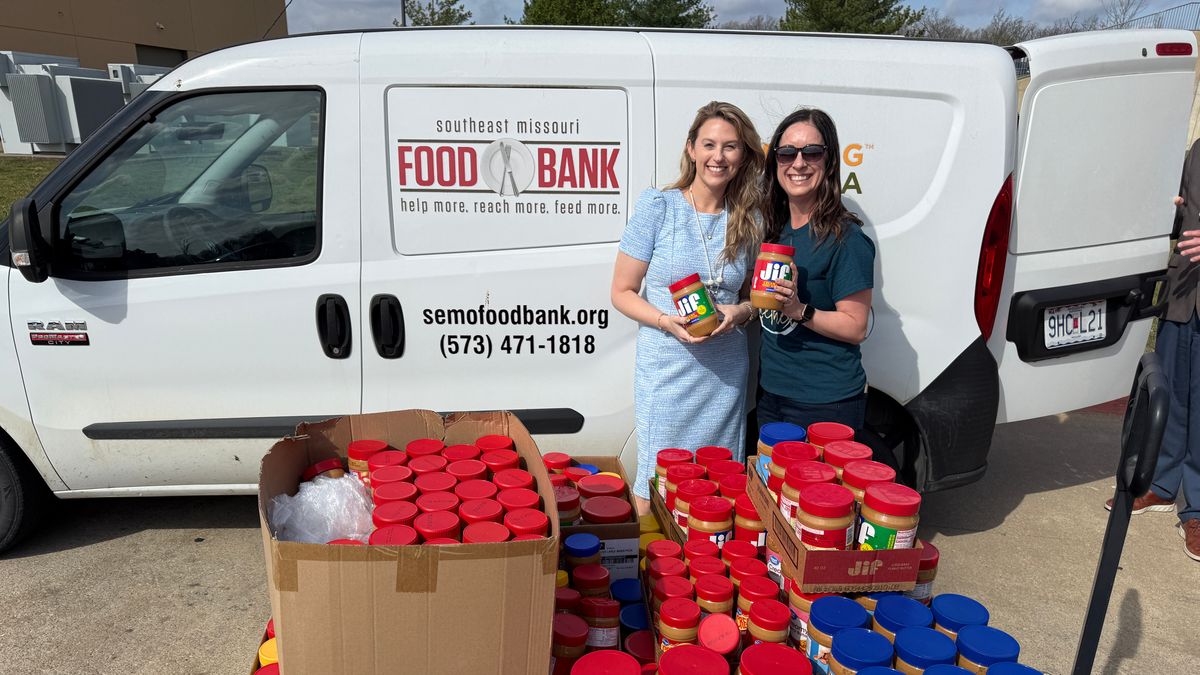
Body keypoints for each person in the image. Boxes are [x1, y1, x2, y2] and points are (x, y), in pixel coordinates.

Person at [612, 101, 765, 515]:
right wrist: (665, 320)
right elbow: (622, 291)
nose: (719, 156)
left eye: (730, 146)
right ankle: (652, 556)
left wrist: (740, 313)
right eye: (709, 144)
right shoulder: (659, 207)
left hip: (724, 374)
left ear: (743, 155)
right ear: (691, 148)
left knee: (718, 482)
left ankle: (707, 553)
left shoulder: (749, 219)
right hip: (667, 369)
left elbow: (754, 297)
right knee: (656, 479)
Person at [1108, 138, 1200, 562]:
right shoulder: (1197, 151)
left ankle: (1196, 511)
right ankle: (1162, 485)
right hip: (1183, 294)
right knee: (1171, 394)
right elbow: (1180, 212)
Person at [755, 108, 875, 432]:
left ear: (829, 160)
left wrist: (799, 310)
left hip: (824, 402)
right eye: (786, 153)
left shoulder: (846, 238)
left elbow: (856, 327)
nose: (798, 163)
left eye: (811, 152)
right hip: (771, 395)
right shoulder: (775, 230)